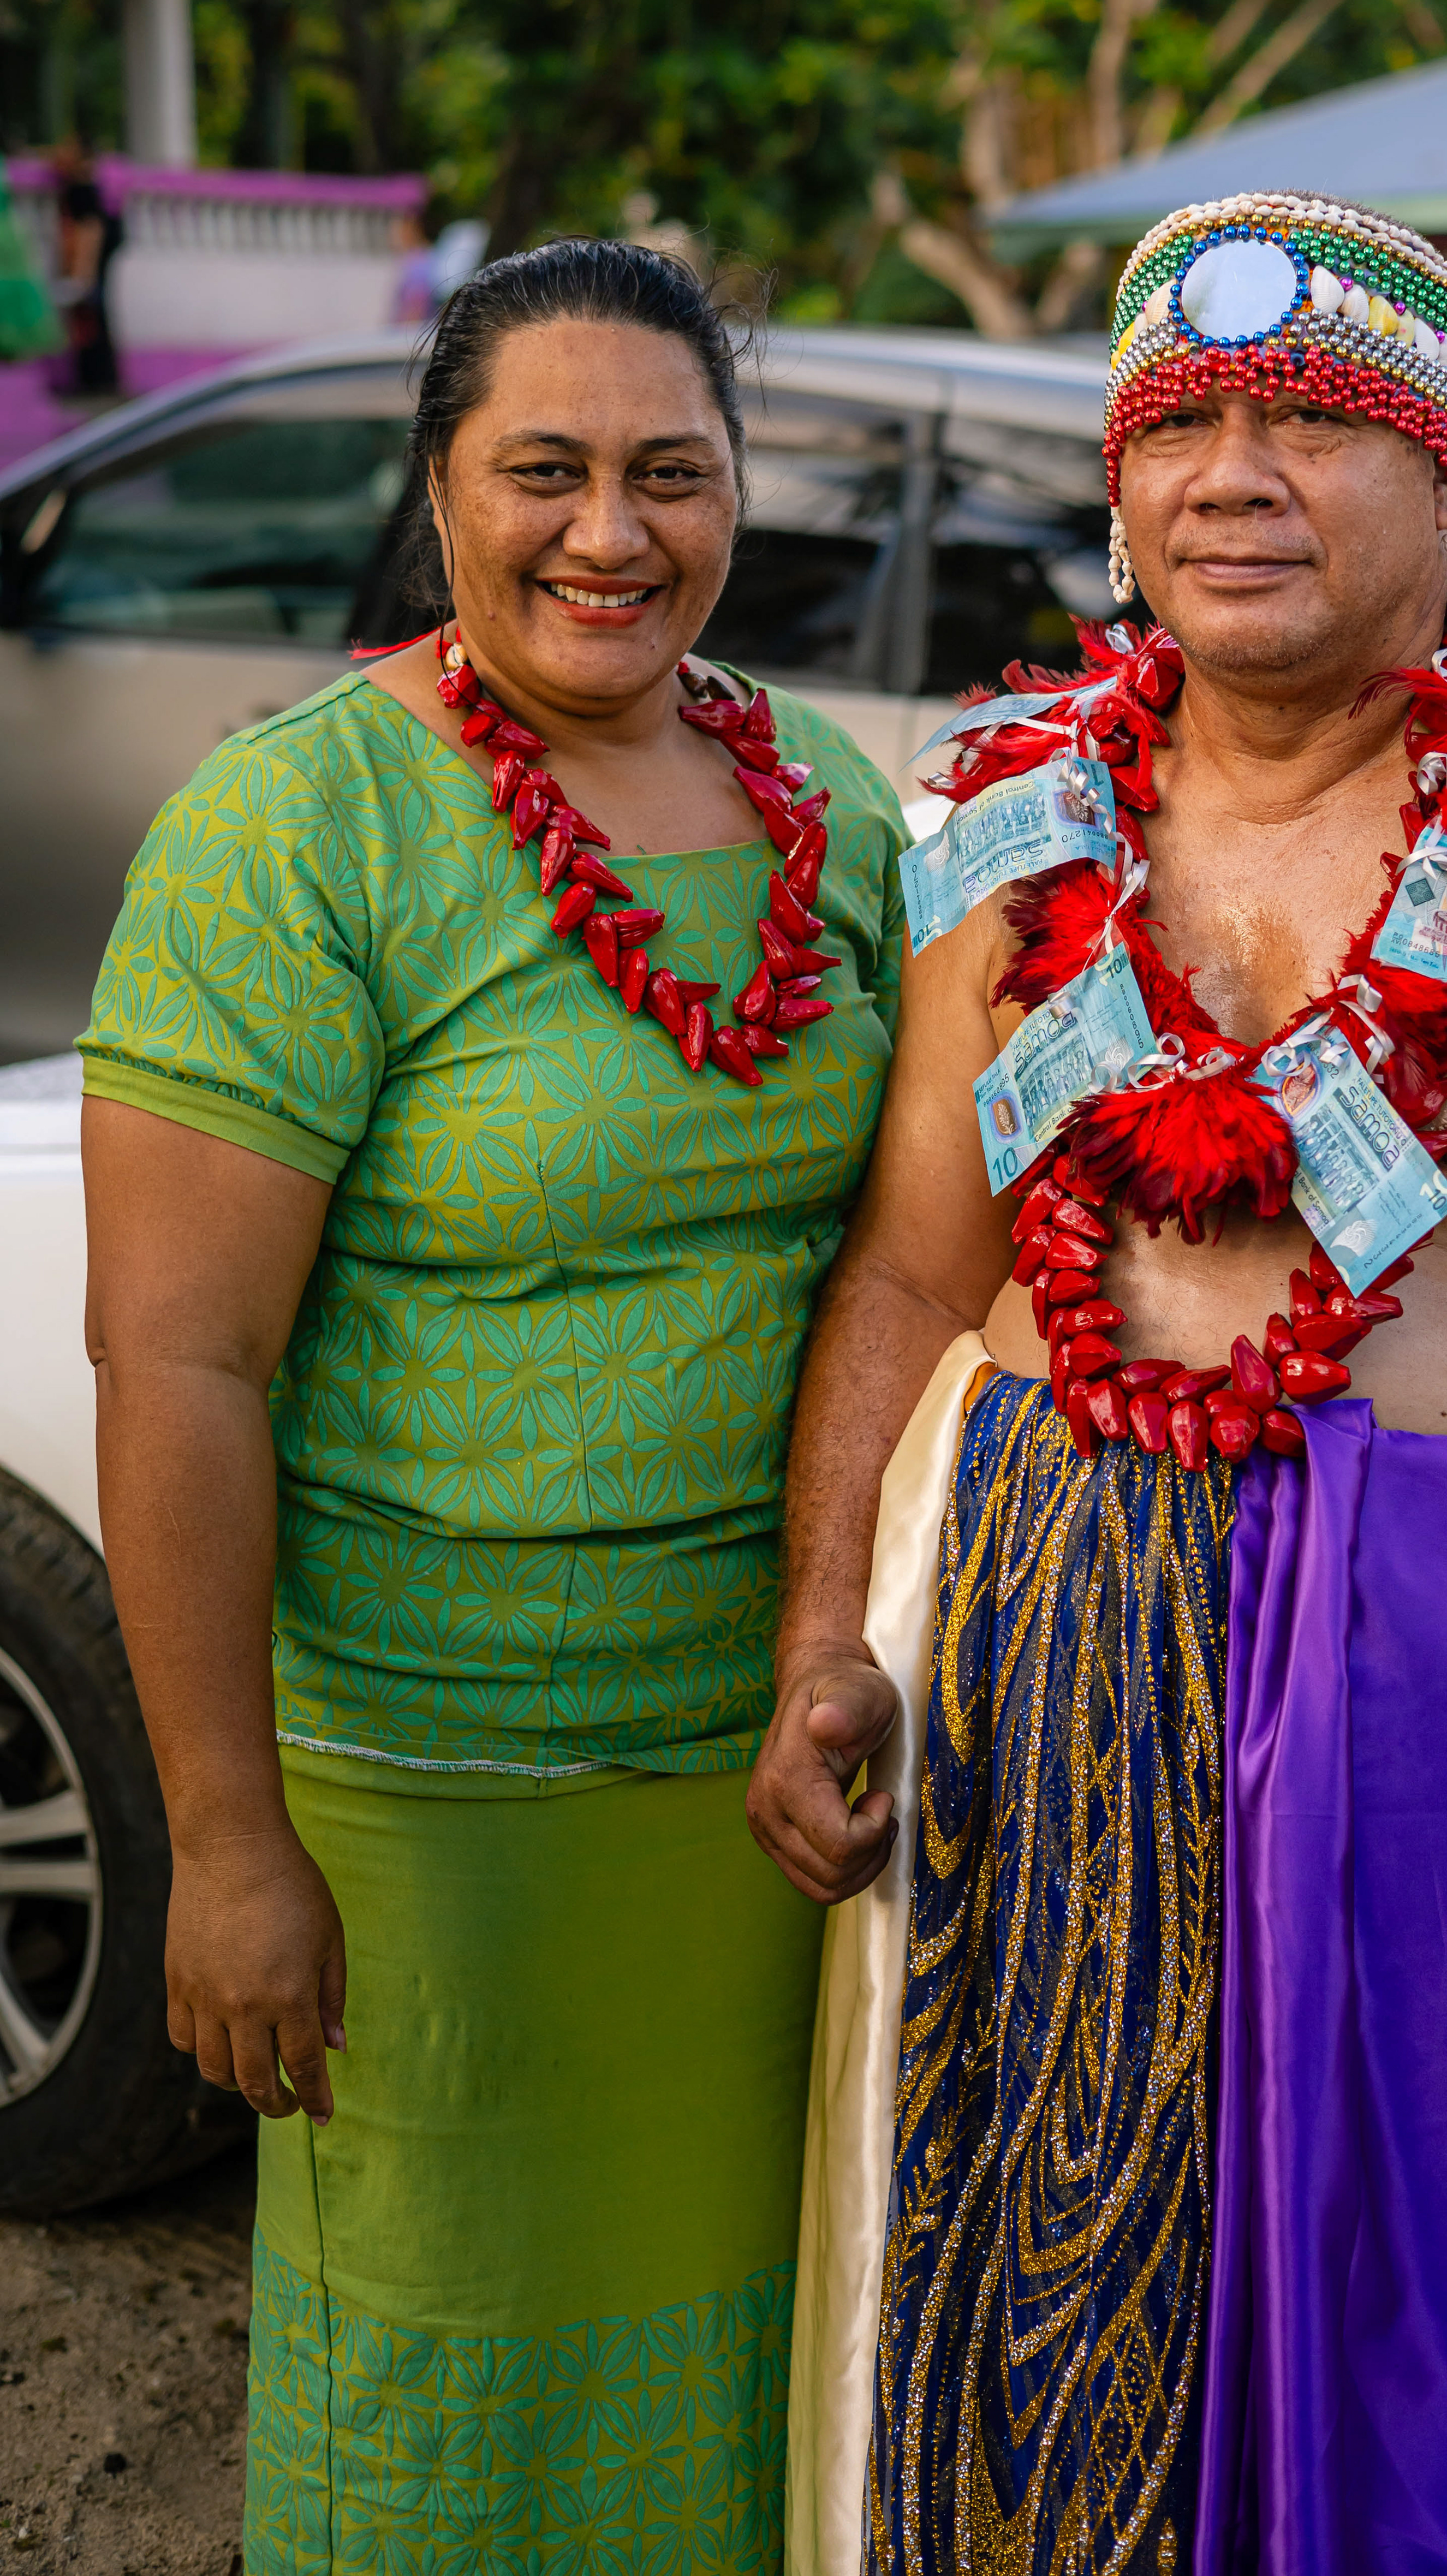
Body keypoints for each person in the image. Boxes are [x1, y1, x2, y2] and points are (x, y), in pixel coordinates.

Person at [751, 191, 1447, 2575]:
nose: (1233, 474)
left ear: (1445, 475)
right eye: (1177, 421)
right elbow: (900, 1275)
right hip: (1035, 1677)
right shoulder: (1010, 820)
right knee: (1020, 2346)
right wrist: (814, 1642)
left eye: (1316, 422)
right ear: (1114, 480)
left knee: (1442, 2362)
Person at [80, 238, 908, 2573]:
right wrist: (231, 1845)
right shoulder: (298, 830)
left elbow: (930, 1236)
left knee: (748, 2404)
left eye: (672, 471)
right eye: (540, 470)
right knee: (456, 2446)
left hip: (774, 1794)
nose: (609, 533)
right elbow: (177, 1361)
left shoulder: (828, 804)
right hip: (433, 1818)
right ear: (436, 488)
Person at [49, 135, 123, 396]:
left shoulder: (81, 190)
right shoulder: (93, 188)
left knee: (90, 321)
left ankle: (95, 380)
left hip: (88, 266)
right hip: (94, 264)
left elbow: (90, 233)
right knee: (96, 318)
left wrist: (83, 273)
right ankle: (100, 378)